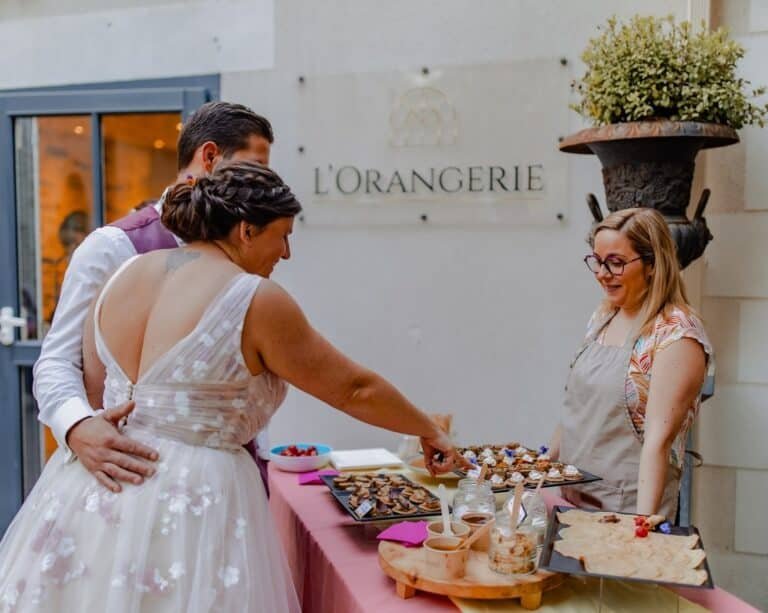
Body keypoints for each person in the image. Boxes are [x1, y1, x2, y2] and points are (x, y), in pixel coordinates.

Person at [0, 162, 463, 611]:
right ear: (245, 230)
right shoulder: (254, 299)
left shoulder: (123, 276)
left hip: (95, 492)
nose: (286, 254)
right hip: (193, 506)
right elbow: (352, 388)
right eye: (283, 236)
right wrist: (428, 429)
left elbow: (97, 386)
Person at [33, 102, 275, 494]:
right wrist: (78, 425)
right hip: (129, 481)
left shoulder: (244, 247)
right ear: (210, 157)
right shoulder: (112, 247)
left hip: (226, 482)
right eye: (255, 168)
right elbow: (56, 361)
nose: (262, 184)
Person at [551, 208, 712, 519]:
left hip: (624, 508)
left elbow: (657, 443)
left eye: (616, 262)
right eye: (597, 261)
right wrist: (540, 470)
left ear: (652, 264)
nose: (602, 273)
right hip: (573, 496)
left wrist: (640, 531)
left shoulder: (676, 335)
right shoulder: (604, 316)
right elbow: (576, 410)